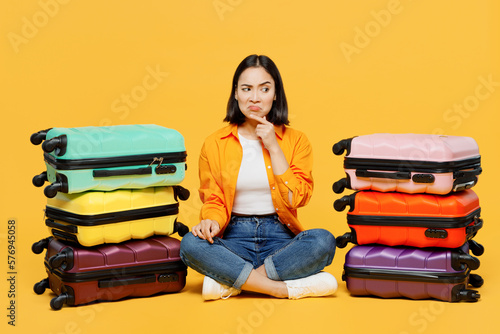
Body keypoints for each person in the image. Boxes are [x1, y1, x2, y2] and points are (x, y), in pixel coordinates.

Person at [180, 54, 337, 300]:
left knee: (323, 241)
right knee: (190, 244)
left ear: (275, 94)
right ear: (236, 93)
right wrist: (210, 221)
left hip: (280, 239)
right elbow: (213, 198)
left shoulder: (296, 141)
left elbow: (298, 199)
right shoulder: (214, 143)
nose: (255, 97)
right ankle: (279, 288)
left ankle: (233, 282)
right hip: (234, 238)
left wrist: (274, 147)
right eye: (246, 89)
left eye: (264, 89)